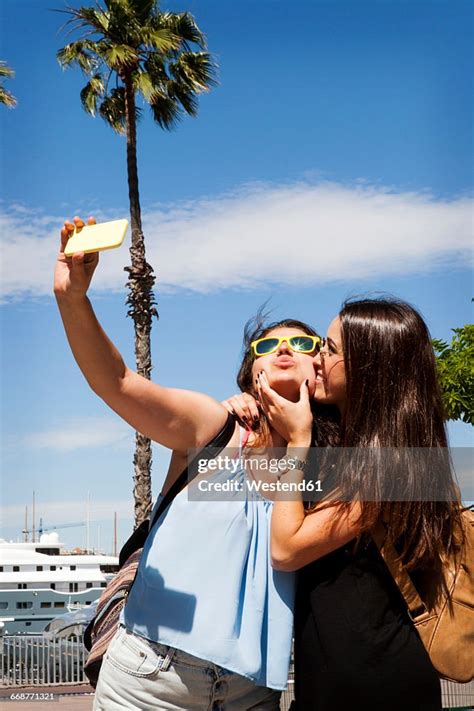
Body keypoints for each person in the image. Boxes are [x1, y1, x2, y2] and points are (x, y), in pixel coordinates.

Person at [53, 216, 337, 710]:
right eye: (268, 345)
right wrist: (72, 298)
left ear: (322, 365)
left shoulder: (330, 461)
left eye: (304, 343)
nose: (285, 348)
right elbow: (118, 382)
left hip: (254, 692)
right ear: (253, 371)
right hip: (150, 679)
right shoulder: (216, 427)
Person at [242, 297, 463, 711]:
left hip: (376, 686)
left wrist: (299, 440)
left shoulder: (388, 468)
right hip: (334, 678)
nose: (318, 359)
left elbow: (286, 549)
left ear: (370, 368)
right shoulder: (352, 448)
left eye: (329, 349)